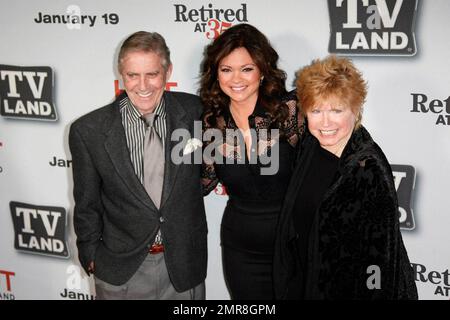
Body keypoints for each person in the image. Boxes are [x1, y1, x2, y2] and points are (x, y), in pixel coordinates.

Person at [69, 31, 207, 299]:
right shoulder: (89, 131)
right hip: (121, 271)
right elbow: (86, 204)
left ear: (168, 72)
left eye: (152, 74)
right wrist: (92, 255)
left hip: (183, 267)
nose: (142, 85)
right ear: (121, 73)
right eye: (133, 75)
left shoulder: (195, 112)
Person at [273, 55, 418, 300]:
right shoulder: (310, 146)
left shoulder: (368, 168)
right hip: (303, 284)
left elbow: (379, 264)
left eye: (337, 110)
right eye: (316, 110)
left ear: (356, 110)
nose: (325, 122)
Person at [199, 23, 302, 300]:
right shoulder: (213, 122)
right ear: (216, 73)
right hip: (240, 250)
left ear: (263, 70)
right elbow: (202, 183)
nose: (236, 78)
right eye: (226, 69)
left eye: (246, 68)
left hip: (294, 245)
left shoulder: (289, 111)